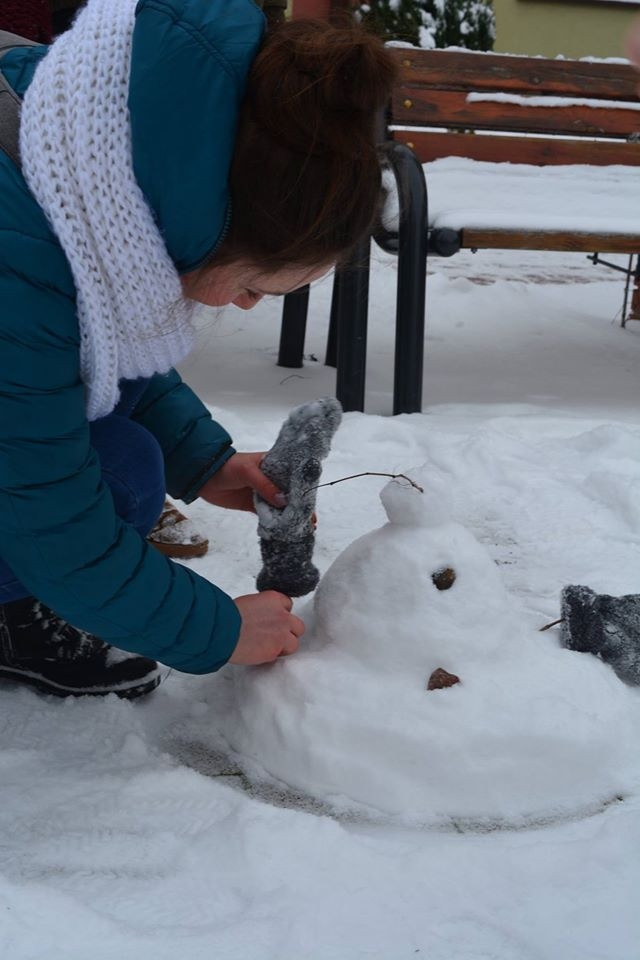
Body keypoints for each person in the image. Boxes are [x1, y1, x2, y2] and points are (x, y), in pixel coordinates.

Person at [0, 0, 396, 698]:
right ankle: (13, 621)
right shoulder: (15, 251)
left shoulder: (80, 157)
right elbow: (47, 513)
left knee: (126, 458)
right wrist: (214, 629)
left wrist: (205, 458)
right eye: (252, 288)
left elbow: (97, 359)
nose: (243, 306)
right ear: (199, 223)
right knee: (112, 478)